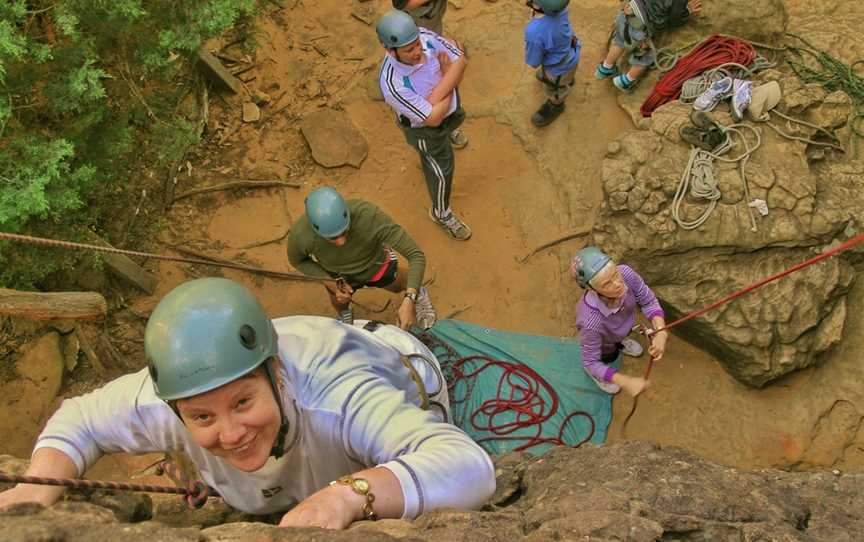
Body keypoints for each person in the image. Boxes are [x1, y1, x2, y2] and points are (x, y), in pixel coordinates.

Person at [0, 278, 496, 529]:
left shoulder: (337, 398)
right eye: (201, 417)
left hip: (401, 365)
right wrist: (33, 490)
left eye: (242, 402)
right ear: (173, 408)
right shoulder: (176, 391)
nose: (230, 433)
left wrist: (350, 495)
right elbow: (79, 419)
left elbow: (467, 467)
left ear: (277, 376)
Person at [377, 10, 472, 241]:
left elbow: (462, 58)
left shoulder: (421, 34)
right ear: (390, 50)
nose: (418, 51)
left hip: (447, 113)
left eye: (416, 44)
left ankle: (450, 133)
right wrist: (449, 74)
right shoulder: (392, 83)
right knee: (442, 171)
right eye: (409, 50)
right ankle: (441, 213)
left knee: (453, 118)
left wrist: (436, 94)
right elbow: (432, 120)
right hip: (425, 132)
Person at [287, 187, 434, 329]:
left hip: (375, 265)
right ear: (314, 229)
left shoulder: (369, 216)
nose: (341, 242)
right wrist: (329, 281)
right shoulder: (301, 236)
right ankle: (344, 312)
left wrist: (409, 299)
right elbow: (297, 261)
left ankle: (418, 294)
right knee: (339, 301)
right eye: (332, 238)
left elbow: (415, 255)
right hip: (338, 277)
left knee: (402, 281)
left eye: (345, 231)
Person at [571, 246, 669, 397]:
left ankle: (621, 340)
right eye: (606, 284)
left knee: (621, 332)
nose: (618, 283)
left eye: (615, 274)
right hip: (605, 340)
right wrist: (625, 381)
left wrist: (661, 332)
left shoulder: (626, 273)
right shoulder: (591, 322)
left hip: (622, 327)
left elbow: (648, 300)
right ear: (592, 290)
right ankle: (599, 376)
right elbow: (591, 361)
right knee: (608, 355)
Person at [595, 0, 702, 91]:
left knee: (620, 40)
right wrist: (687, 10)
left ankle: (605, 68)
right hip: (641, 28)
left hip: (627, 13)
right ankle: (625, 81)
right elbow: (675, 18)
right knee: (645, 56)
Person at [524, 0, 581, 127]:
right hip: (570, 49)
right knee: (563, 77)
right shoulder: (560, 9)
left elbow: (534, 61)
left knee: (555, 88)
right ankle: (568, 80)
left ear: (538, 5)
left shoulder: (534, 32)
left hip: (559, 68)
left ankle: (556, 105)